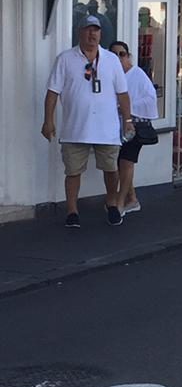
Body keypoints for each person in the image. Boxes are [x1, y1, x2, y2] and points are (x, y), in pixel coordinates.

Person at [42, 15, 133, 228]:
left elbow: (123, 94)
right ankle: (72, 211)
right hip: (75, 127)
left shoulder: (111, 59)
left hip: (107, 128)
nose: (92, 34)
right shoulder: (65, 59)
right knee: (73, 171)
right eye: (87, 30)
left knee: (111, 168)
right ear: (79, 32)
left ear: (100, 34)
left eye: (96, 30)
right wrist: (48, 121)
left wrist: (127, 120)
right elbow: (52, 92)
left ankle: (111, 204)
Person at [108, 41, 158, 219]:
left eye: (122, 54)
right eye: (113, 54)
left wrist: (128, 107)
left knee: (126, 162)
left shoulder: (138, 75)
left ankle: (120, 202)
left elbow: (151, 99)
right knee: (119, 162)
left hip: (135, 125)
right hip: (116, 126)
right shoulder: (111, 75)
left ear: (128, 56)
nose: (118, 57)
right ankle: (132, 199)